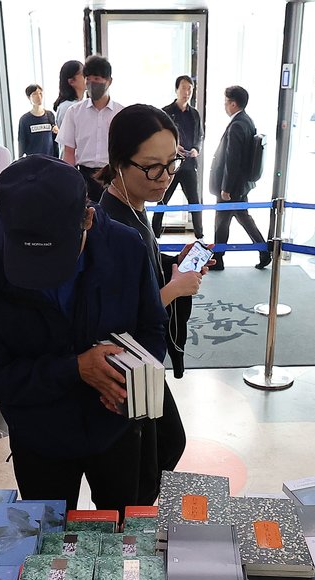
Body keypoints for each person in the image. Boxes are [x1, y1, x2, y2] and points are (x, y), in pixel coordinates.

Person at [0, 155, 166, 510]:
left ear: (88, 217)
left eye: (57, 257)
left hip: (115, 428)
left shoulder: (127, 248)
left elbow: (153, 328)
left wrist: (128, 380)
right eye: (28, 259)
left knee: (121, 531)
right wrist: (74, 368)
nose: (44, 276)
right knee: (49, 540)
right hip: (40, 439)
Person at [97, 104, 208, 504]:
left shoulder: (135, 209)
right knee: (137, 475)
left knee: (163, 448)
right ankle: (125, 551)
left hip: (143, 364)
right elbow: (117, 321)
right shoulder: (107, 225)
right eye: (152, 167)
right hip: (125, 371)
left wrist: (170, 266)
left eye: (172, 162)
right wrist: (175, 287)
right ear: (118, 163)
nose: (165, 178)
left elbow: (140, 276)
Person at [209, 85, 270, 271]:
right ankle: (261, 251)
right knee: (237, 218)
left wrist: (226, 188)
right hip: (240, 184)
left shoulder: (237, 125)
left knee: (225, 220)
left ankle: (220, 257)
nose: (224, 106)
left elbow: (232, 159)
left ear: (233, 104)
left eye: (226, 102)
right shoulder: (247, 121)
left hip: (232, 186)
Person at [58, 54, 124, 202]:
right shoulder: (74, 112)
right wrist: (69, 180)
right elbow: (69, 152)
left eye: (97, 79)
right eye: (88, 79)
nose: (92, 83)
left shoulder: (121, 113)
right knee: (87, 220)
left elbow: (126, 150)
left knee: (113, 219)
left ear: (109, 81)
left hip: (113, 176)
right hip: (84, 176)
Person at [154, 75, 204, 240]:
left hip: (189, 164)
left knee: (194, 201)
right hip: (170, 164)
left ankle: (199, 234)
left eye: (190, 89)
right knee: (163, 197)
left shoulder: (194, 114)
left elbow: (200, 136)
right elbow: (159, 136)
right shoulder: (166, 112)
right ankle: (154, 231)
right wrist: (175, 148)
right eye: (184, 88)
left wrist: (196, 149)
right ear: (176, 90)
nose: (187, 92)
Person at [17, 84, 57, 158]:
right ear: (29, 97)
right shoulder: (25, 120)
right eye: (35, 94)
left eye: (40, 93)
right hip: (33, 161)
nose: (39, 96)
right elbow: (22, 143)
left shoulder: (49, 115)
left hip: (50, 160)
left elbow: (54, 140)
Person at [54, 60, 84, 129]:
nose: (87, 77)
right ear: (71, 81)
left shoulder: (82, 104)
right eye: (83, 74)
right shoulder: (67, 107)